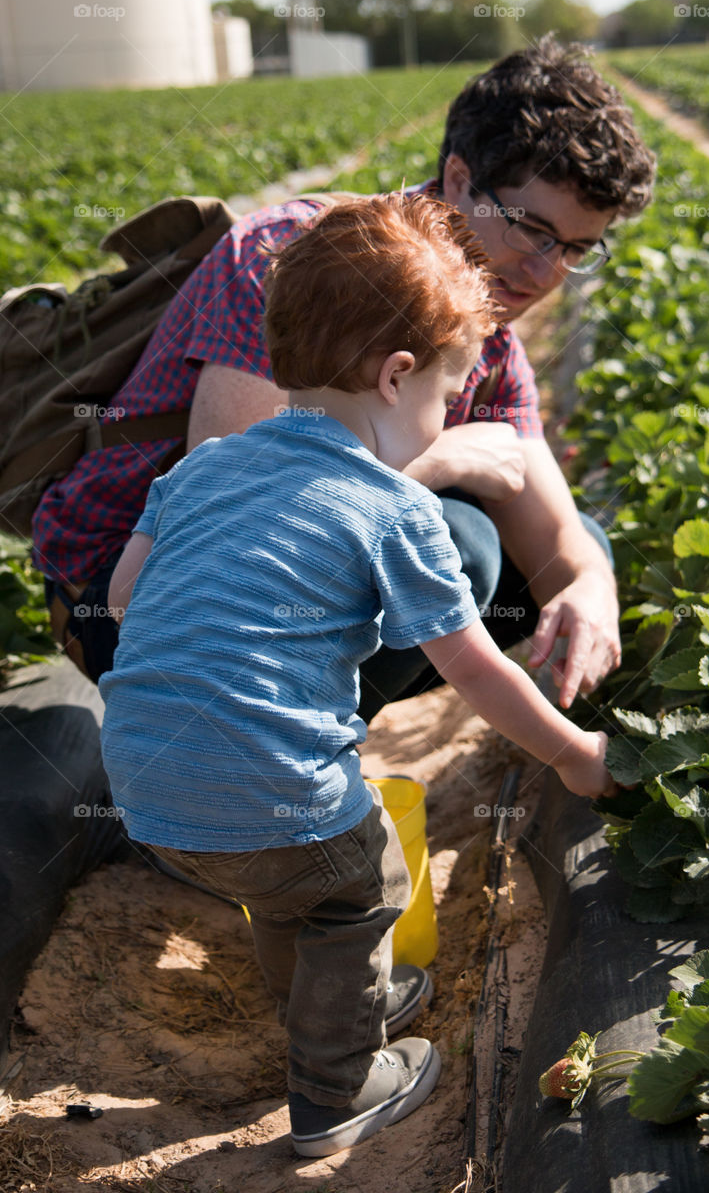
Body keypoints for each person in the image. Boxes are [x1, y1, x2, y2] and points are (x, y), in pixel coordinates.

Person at [98, 193, 615, 1156]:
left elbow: (128, 598)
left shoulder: (200, 472)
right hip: (271, 802)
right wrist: (575, 753)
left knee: (281, 884)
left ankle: (319, 995)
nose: (441, 423)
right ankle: (336, 1088)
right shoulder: (393, 509)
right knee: (355, 881)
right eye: (443, 399)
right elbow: (476, 670)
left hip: (147, 795)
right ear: (395, 376)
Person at [35, 36, 656, 721]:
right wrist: (441, 458)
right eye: (531, 229)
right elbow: (246, 523)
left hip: (252, 587)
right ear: (457, 179)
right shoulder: (295, 260)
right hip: (127, 599)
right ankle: (268, 760)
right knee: (457, 543)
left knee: (578, 554)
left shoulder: (491, 338)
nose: (544, 271)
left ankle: (301, 753)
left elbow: (557, 543)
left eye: (573, 249)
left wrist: (590, 584)